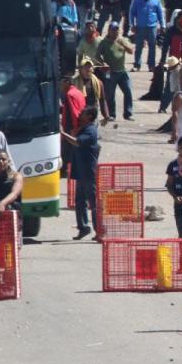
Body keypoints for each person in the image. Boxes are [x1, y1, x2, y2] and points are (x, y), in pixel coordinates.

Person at [61, 105, 100, 241]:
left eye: (83, 113)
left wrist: (62, 134)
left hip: (89, 172)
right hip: (80, 171)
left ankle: (99, 230)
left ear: (89, 116)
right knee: (80, 201)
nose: (79, 114)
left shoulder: (90, 131)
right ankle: (83, 228)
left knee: (93, 202)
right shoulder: (83, 129)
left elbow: (77, 142)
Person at [96, 21, 134, 120]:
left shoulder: (122, 40)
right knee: (110, 94)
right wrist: (102, 63)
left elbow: (131, 51)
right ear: (109, 31)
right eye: (113, 30)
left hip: (122, 71)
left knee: (128, 91)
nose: (115, 32)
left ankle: (128, 113)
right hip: (110, 72)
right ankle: (112, 114)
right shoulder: (104, 42)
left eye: (117, 30)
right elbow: (97, 55)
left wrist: (123, 44)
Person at [128, 0, 165, 71]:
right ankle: (137, 65)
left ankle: (151, 65)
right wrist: (132, 25)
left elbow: (160, 14)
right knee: (139, 47)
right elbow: (131, 13)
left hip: (152, 27)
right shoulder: (136, 0)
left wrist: (162, 25)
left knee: (152, 47)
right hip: (140, 27)